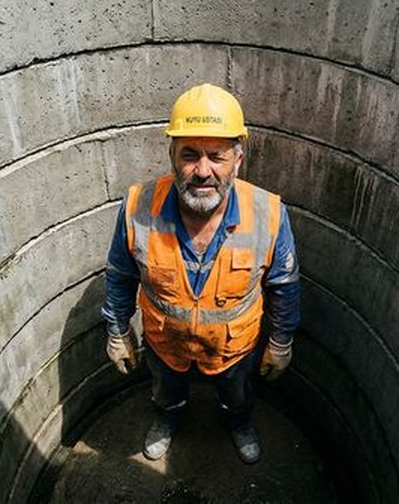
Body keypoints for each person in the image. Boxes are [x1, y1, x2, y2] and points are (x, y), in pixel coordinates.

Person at [101, 83, 301, 465]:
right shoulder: (137, 207)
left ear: (238, 160)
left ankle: (239, 424)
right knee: (166, 392)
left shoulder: (269, 214)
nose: (202, 171)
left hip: (235, 348)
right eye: (190, 155)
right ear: (172, 156)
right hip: (165, 343)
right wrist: (117, 331)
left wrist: (281, 341)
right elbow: (120, 275)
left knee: (237, 396)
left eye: (216, 156)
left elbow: (283, 285)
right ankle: (167, 419)